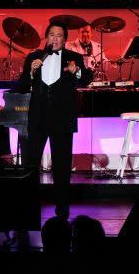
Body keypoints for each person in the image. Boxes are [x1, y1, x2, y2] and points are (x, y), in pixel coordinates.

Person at [17, 21, 93, 218]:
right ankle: (27, 208)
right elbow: (22, 85)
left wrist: (76, 70)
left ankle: (62, 212)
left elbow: (86, 78)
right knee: (31, 166)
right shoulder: (34, 57)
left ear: (65, 40)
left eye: (60, 36)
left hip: (62, 120)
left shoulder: (73, 57)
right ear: (46, 37)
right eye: (52, 35)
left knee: (61, 169)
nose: (55, 39)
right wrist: (30, 72)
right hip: (37, 119)